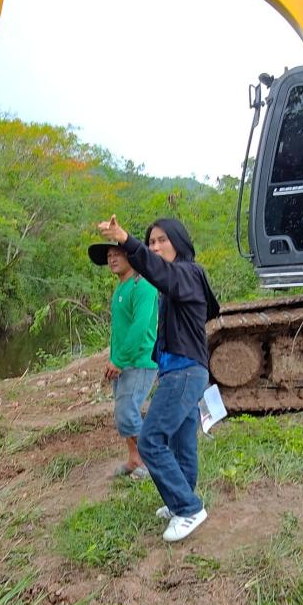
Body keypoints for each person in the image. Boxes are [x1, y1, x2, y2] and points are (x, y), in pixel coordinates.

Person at [96, 215, 220, 542]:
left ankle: (189, 508)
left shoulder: (186, 273)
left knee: (150, 441)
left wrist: (126, 239)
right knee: (181, 442)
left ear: (179, 241)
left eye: (162, 239)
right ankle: (179, 499)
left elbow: (158, 271)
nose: (155, 246)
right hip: (179, 372)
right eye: (151, 241)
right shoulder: (176, 284)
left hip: (184, 373)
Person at [88, 241, 158, 480]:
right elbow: (119, 331)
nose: (112, 259)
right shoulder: (121, 289)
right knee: (125, 411)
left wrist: (120, 360)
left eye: (118, 254)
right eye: (109, 255)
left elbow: (139, 329)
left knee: (127, 411)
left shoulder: (144, 287)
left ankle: (153, 461)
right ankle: (134, 459)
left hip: (140, 361)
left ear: (131, 257)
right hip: (122, 362)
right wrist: (113, 359)